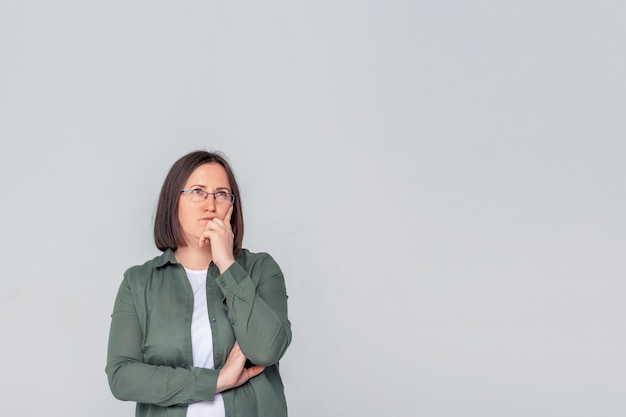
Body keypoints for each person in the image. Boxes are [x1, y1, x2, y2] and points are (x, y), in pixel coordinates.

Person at [106, 150, 292, 417]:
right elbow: (122, 376)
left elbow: (266, 349)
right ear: (174, 202)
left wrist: (227, 264)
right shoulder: (139, 282)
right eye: (197, 191)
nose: (210, 204)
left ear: (232, 205)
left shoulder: (260, 269)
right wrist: (218, 380)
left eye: (221, 194)